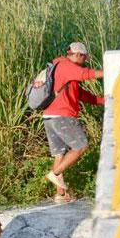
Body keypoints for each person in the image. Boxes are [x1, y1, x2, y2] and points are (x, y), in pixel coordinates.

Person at [40, 42, 104, 203]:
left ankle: (60, 195)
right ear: (78, 55)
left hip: (49, 116)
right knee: (81, 145)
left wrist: (104, 100)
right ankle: (54, 174)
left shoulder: (61, 69)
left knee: (60, 154)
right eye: (85, 57)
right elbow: (85, 74)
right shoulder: (66, 66)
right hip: (62, 115)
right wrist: (111, 71)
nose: (86, 60)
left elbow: (82, 95)